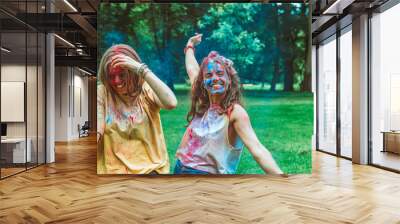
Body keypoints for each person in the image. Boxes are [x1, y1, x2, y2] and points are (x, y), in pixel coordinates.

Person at [174, 34, 284, 175]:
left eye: (220, 73)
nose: (215, 78)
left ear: (229, 79)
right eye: (209, 75)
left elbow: (257, 149)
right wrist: (190, 45)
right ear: (203, 82)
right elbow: (192, 69)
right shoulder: (204, 102)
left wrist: (283, 179)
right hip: (179, 168)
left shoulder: (235, 112)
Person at [97, 44, 177, 174]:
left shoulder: (145, 89)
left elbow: (171, 103)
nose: (117, 81)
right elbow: (98, 127)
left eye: (122, 75)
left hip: (150, 170)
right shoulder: (102, 93)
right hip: (113, 172)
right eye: (111, 76)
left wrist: (141, 69)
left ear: (132, 71)